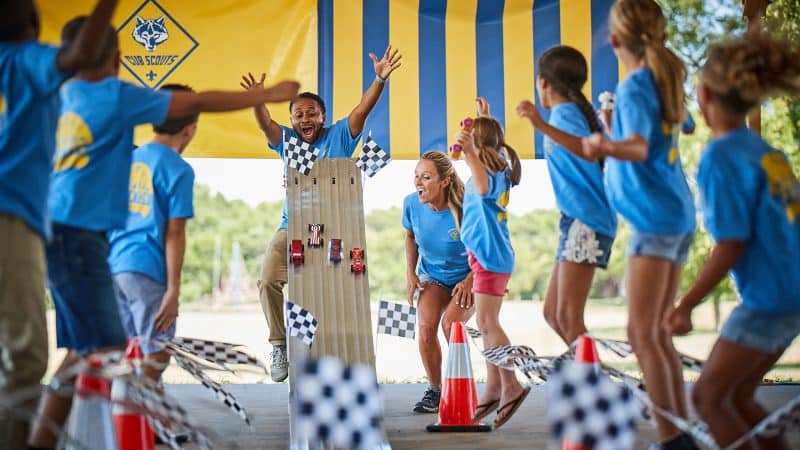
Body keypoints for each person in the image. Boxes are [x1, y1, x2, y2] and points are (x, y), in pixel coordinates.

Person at [29, 16, 299, 448]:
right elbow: (203, 103)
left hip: (65, 243)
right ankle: (135, 422)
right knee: (138, 354)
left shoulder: (58, 95)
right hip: (93, 249)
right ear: (116, 59)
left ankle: (85, 432)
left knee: (92, 351)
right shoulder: (116, 100)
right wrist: (264, 95)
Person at [668, 30, 800, 450]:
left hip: (768, 300)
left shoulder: (721, 158)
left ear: (703, 95)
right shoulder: (766, 152)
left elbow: (731, 244)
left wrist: (685, 304)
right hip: (791, 294)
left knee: (707, 397)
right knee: (739, 397)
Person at [242, 45, 402, 382]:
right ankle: (279, 345)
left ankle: (346, 357)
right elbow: (266, 125)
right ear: (292, 120)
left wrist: (379, 80)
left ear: (322, 117)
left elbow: (363, 109)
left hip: (337, 231)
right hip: (295, 227)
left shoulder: (340, 137)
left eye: (311, 113)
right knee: (269, 278)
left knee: (341, 292)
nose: (305, 119)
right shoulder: (288, 142)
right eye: (298, 115)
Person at [0, 1, 119, 447]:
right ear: (33, 27)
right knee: (26, 357)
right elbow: (81, 55)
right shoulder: (25, 59)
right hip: (14, 218)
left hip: (32, 223)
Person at [581, 1, 698, 449]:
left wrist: (600, 142)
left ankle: (672, 439)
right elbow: (679, 127)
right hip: (675, 213)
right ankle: (679, 432)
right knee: (657, 331)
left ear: (614, 42)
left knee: (641, 332)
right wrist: (614, 130)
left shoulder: (635, 85)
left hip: (654, 218)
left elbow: (640, 146)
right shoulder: (665, 79)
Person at [516, 46, 617, 347]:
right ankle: (587, 379)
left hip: (587, 218)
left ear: (543, 83)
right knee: (553, 314)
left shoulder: (564, 115)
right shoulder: (569, 114)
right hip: (574, 219)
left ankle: (597, 389)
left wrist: (541, 125)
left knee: (569, 317)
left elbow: (587, 147)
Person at [108, 84, 198, 384]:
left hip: (115, 266)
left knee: (129, 352)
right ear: (190, 129)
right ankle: (145, 422)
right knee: (157, 354)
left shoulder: (129, 159)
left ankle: (146, 428)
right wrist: (173, 290)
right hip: (147, 269)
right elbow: (175, 233)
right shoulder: (178, 169)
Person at [455, 103, 528, 430]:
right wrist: (482, 117)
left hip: (490, 258)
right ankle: (494, 388)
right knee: (485, 324)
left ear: (480, 147)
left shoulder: (489, 175)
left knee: (487, 322)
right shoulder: (493, 168)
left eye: (472, 142)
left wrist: (470, 150)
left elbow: (482, 188)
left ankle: (510, 385)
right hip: (486, 257)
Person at [403, 150, 473, 413]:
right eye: (417, 176)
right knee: (426, 328)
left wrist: (470, 280)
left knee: (450, 326)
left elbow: (485, 250)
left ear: (444, 181)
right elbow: (410, 237)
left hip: (468, 276)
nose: (418, 182)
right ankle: (435, 390)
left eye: (426, 177)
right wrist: (410, 273)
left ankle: (462, 390)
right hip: (433, 276)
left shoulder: (467, 207)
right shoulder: (411, 204)